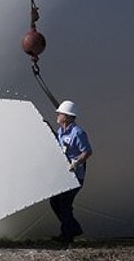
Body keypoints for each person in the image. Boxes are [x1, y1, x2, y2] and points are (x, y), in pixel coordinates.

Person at [49, 99, 92, 245]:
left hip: (75, 176)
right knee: (55, 202)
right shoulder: (61, 132)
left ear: (66, 117)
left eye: (59, 114)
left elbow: (87, 151)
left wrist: (77, 162)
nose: (57, 115)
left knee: (65, 204)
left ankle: (67, 236)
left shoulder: (78, 133)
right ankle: (73, 228)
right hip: (64, 176)